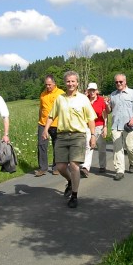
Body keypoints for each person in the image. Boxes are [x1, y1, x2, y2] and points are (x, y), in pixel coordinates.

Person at [42, 71, 96, 208]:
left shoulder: (83, 99)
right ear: (65, 83)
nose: (70, 84)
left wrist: (93, 136)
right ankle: (70, 181)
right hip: (62, 136)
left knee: (74, 165)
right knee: (60, 167)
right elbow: (51, 115)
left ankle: (74, 195)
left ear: (77, 83)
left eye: (73, 81)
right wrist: (45, 129)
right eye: (68, 81)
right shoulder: (60, 98)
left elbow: (90, 119)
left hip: (78, 135)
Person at [106, 73, 133, 181]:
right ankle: (119, 171)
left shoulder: (132, 93)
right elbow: (109, 111)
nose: (118, 83)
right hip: (116, 126)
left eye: (120, 81)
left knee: (130, 148)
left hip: (129, 126)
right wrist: (107, 105)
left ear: (125, 82)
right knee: (117, 149)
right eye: (116, 82)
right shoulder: (112, 95)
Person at [35, 75, 64, 177]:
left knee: (57, 146)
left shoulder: (60, 93)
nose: (48, 86)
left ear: (54, 83)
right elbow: (41, 109)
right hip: (43, 123)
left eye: (49, 85)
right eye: (46, 84)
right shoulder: (43, 94)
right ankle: (42, 168)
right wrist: (39, 120)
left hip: (57, 123)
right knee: (41, 145)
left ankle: (56, 167)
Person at [81, 82, 108, 176]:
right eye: (90, 90)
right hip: (87, 126)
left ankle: (102, 166)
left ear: (97, 91)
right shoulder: (85, 100)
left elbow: (105, 114)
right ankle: (85, 167)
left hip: (99, 125)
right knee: (89, 146)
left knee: (101, 147)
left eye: (93, 90)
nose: (92, 92)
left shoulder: (101, 100)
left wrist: (105, 127)